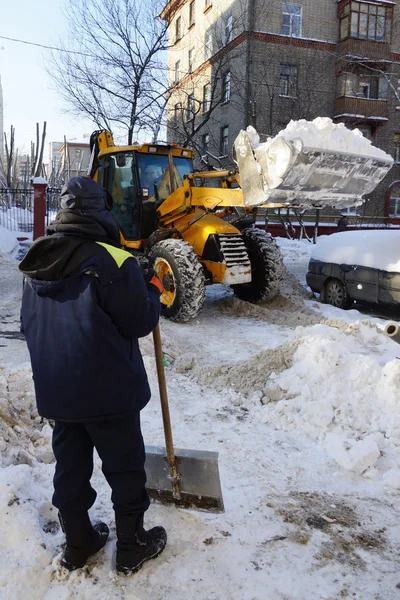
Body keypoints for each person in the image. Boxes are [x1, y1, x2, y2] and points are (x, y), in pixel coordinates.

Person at [19, 176, 167, 575]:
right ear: (101, 210)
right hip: (109, 393)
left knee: (70, 466)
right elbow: (138, 321)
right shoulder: (113, 260)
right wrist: (151, 288)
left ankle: (79, 541)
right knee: (124, 465)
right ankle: (133, 545)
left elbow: (28, 324)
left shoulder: (37, 259)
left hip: (59, 391)